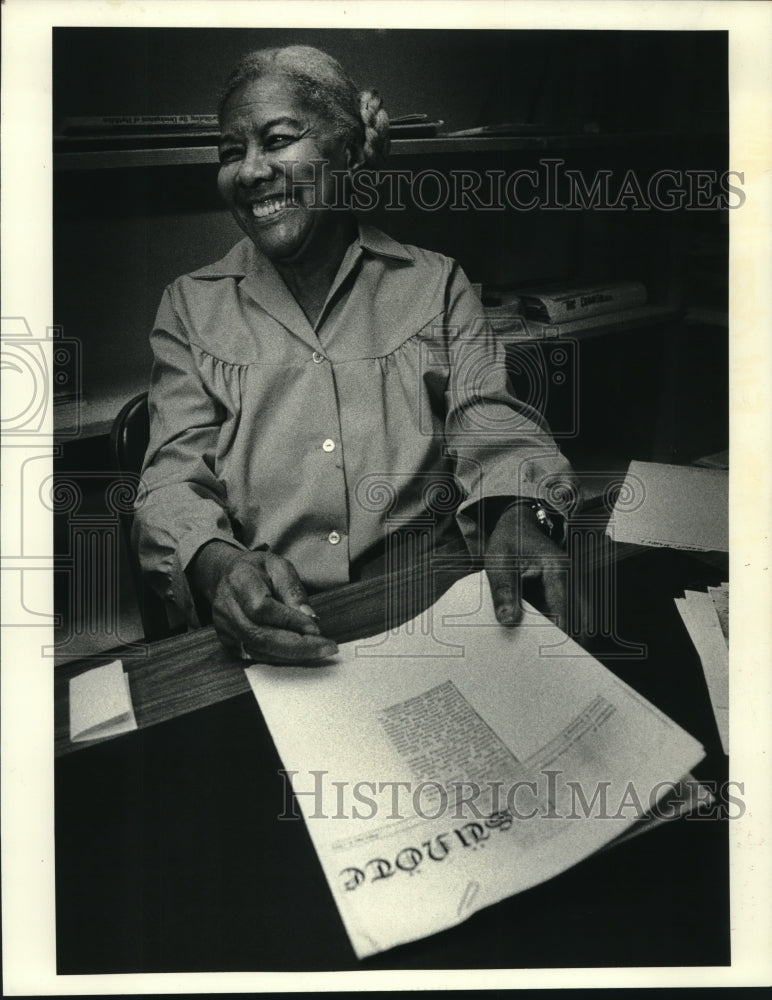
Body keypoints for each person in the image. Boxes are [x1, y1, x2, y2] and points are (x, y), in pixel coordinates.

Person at [133, 45, 581, 664]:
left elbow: (493, 427)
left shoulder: (436, 284)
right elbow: (171, 484)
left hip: (431, 606)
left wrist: (519, 508)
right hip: (281, 628)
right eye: (231, 152)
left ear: (345, 150)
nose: (250, 171)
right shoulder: (189, 307)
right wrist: (216, 565)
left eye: (278, 140)